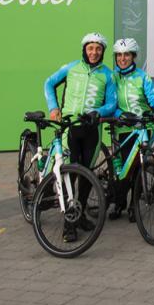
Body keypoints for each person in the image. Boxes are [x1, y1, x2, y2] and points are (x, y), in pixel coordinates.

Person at [43, 32, 118, 242]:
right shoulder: (71, 67)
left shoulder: (108, 75)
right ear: (84, 49)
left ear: (103, 51)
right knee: (71, 173)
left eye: (98, 49)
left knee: (87, 174)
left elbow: (112, 104)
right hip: (71, 127)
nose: (94, 52)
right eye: (90, 48)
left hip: (92, 129)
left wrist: (99, 112)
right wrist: (53, 108)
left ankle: (81, 214)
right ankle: (69, 224)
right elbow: (48, 83)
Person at [110, 38, 154, 219]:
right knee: (124, 169)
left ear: (133, 56)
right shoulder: (112, 78)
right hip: (123, 128)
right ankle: (119, 202)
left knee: (138, 167)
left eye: (126, 55)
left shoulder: (143, 77)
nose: (122, 58)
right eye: (119, 55)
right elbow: (110, 104)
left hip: (143, 128)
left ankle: (134, 204)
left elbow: (153, 99)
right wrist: (120, 114)